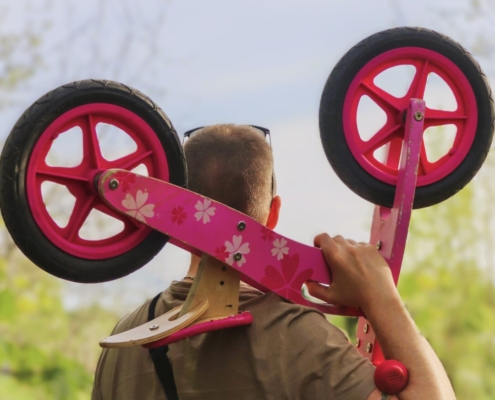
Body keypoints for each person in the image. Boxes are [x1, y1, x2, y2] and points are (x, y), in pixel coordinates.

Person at [92, 124, 455, 400]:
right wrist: (382, 299)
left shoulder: (123, 341)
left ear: (172, 212)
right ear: (272, 214)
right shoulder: (300, 339)